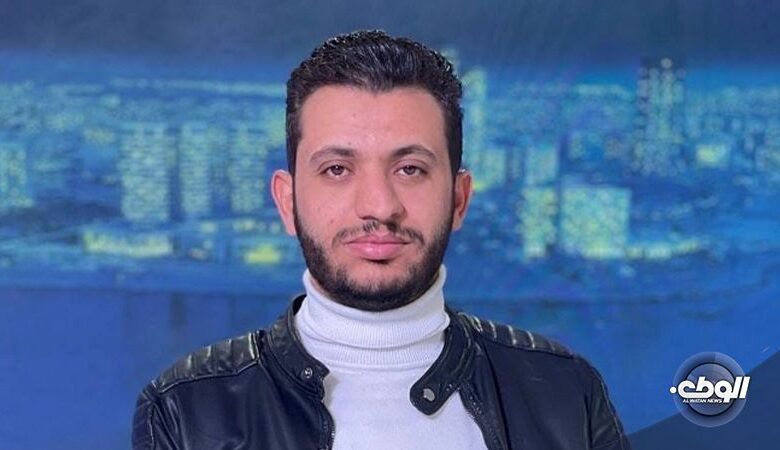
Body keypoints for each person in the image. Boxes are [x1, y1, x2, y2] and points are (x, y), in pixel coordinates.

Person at [132, 30, 630, 450]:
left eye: (410, 169)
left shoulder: (565, 394)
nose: (378, 206)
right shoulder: (186, 411)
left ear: (459, 199)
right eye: (337, 169)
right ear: (287, 202)